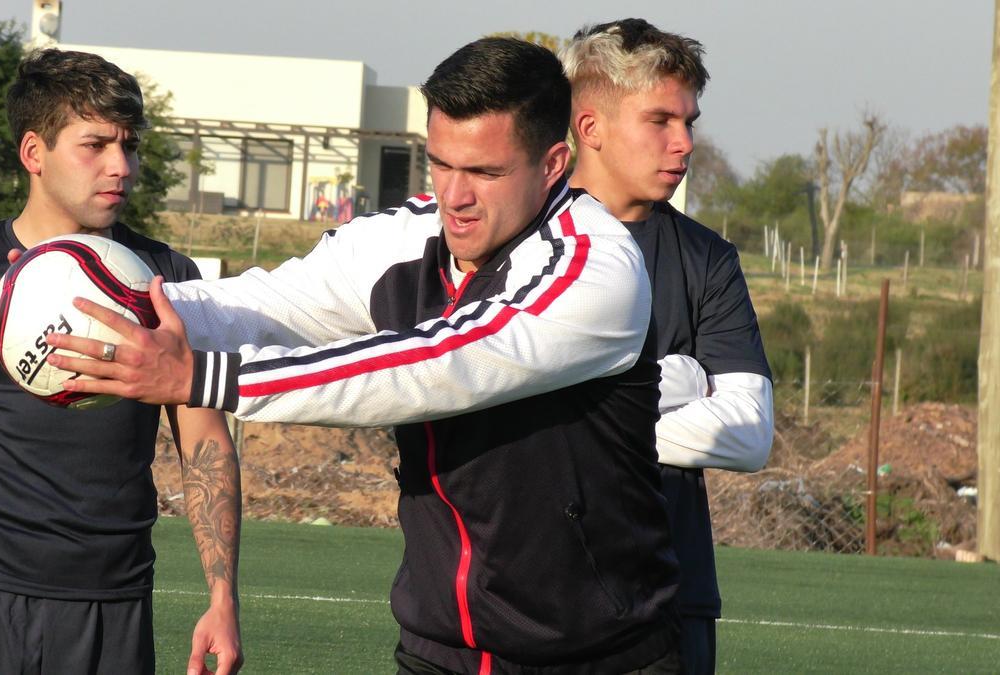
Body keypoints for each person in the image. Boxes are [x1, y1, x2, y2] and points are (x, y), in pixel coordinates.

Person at [38, 37, 681, 673]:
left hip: (598, 654)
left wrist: (202, 377)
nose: (455, 197)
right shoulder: (398, 239)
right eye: (441, 164)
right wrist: (82, 297)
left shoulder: (599, 267)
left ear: (552, 164)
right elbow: (269, 304)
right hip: (437, 648)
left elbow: (433, 365)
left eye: (485, 172)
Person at [0, 49, 243, 675]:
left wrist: (223, 597)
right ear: (33, 153)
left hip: (114, 603)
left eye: (128, 145)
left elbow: (205, 445)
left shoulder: (169, 282)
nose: (120, 167)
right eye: (94, 145)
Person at [561, 19, 775, 674]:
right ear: (591, 127)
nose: (684, 143)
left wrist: (589, 418)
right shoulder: (523, 245)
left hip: (672, 598)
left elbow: (748, 433)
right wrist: (673, 382)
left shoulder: (707, 258)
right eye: (660, 120)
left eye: (690, 121)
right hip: (534, 592)